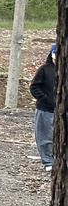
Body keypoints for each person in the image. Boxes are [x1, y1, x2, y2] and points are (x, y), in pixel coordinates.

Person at [30, 44, 57, 172]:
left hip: (62, 111)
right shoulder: (44, 69)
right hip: (45, 109)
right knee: (45, 137)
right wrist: (45, 99)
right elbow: (34, 87)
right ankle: (48, 161)